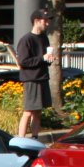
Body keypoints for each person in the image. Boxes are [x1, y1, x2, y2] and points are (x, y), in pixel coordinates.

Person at [15, 8, 56, 138]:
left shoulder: (44, 38)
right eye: (45, 20)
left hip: (42, 77)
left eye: (48, 20)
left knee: (38, 112)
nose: (47, 23)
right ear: (36, 21)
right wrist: (42, 58)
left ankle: (34, 138)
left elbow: (43, 60)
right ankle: (21, 140)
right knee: (28, 111)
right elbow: (23, 61)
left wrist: (49, 59)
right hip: (31, 79)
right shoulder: (26, 40)